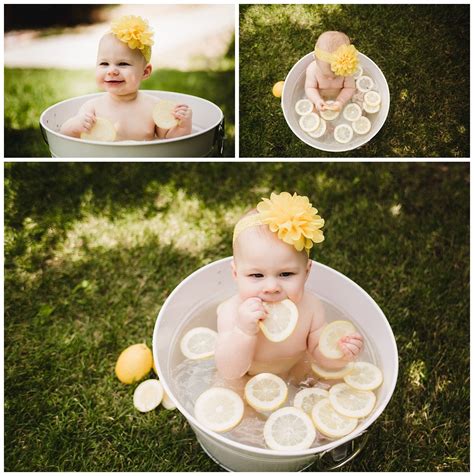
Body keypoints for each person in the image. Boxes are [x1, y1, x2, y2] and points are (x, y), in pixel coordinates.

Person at [215, 192, 363, 380]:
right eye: (256, 275)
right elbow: (229, 372)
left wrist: (340, 353)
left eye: (286, 274)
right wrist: (243, 332)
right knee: (229, 393)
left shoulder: (311, 308)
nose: (271, 287)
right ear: (236, 274)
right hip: (246, 378)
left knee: (322, 386)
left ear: (306, 272)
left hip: (296, 368)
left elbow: (319, 352)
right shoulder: (232, 313)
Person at [60, 15, 192, 141]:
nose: (111, 71)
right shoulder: (92, 107)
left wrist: (183, 126)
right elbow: (64, 135)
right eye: (104, 63)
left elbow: (171, 140)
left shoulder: (153, 107)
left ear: (145, 72)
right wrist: (74, 126)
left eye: (123, 64)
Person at [304, 31, 358, 113]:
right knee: (314, 111)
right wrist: (317, 100)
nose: (330, 78)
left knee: (357, 104)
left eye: (337, 75)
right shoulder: (312, 70)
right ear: (315, 59)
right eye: (325, 75)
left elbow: (350, 88)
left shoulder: (346, 72)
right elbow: (310, 88)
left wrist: (341, 101)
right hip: (320, 95)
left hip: (341, 95)